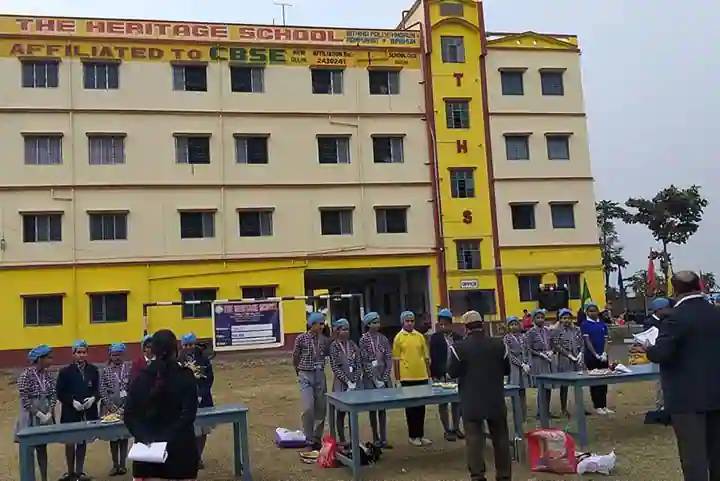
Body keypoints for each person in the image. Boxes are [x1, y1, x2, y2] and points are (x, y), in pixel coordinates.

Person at [641, 271, 720, 481]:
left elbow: (661, 354)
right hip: (717, 393)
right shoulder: (716, 313)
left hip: (687, 398)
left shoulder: (674, 318)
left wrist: (649, 348)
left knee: (694, 457)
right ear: (699, 286)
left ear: (674, 291)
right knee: (717, 455)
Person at [125, 329, 199, 480]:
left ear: (152, 351)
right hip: (179, 454)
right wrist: (167, 437)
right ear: (175, 350)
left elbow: (129, 416)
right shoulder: (185, 377)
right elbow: (188, 415)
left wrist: (145, 437)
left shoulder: (140, 378)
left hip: (147, 454)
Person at [448, 310, 511, 481]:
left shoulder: (458, 348)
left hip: (471, 399)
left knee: (474, 440)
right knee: (501, 438)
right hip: (495, 398)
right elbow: (506, 370)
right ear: (482, 324)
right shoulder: (499, 344)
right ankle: (504, 476)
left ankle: (477, 476)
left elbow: (452, 372)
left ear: (465, 327)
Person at [56, 340, 99, 481]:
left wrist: (93, 398)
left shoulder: (93, 370)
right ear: (73, 354)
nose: (81, 355)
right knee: (70, 442)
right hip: (70, 412)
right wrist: (72, 401)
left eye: (84, 352)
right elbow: (60, 392)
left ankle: (80, 472)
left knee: (82, 441)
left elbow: (98, 390)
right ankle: (70, 473)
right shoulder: (65, 372)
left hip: (87, 412)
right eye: (78, 352)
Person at [15, 345, 55, 481]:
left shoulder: (48, 375)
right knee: (28, 449)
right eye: (48, 358)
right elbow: (25, 399)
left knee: (42, 448)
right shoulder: (25, 376)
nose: (51, 361)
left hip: (45, 412)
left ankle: (44, 478)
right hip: (30, 416)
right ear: (39, 359)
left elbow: (53, 394)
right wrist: (38, 414)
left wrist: (50, 411)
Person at [292, 312, 331, 451]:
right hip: (305, 374)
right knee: (308, 407)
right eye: (320, 324)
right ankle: (308, 438)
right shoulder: (301, 338)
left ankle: (316, 439)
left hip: (320, 373)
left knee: (321, 407)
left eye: (323, 324)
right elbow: (295, 356)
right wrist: (299, 371)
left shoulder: (324, 340)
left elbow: (329, 353)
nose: (322, 326)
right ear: (312, 324)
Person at [393, 310, 432, 447]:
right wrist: (398, 379)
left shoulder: (420, 336)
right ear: (402, 322)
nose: (409, 323)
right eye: (407, 321)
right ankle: (412, 435)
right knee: (411, 409)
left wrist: (429, 376)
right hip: (407, 377)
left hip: (421, 376)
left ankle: (420, 435)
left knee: (421, 407)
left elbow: (426, 358)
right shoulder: (399, 338)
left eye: (412, 321)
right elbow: (396, 360)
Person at [179, 333, 215, 470]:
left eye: (191, 345)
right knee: (187, 431)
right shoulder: (178, 360)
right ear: (182, 346)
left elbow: (209, 378)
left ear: (195, 344)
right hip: (184, 403)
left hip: (203, 401)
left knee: (203, 430)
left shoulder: (203, 359)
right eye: (186, 345)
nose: (188, 347)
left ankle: (198, 456)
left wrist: (201, 394)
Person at [359, 311, 392, 448]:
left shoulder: (383, 339)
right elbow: (364, 361)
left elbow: (388, 358)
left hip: (383, 376)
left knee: (382, 409)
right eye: (373, 323)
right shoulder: (363, 340)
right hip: (370, 379)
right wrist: (374, 379)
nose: (376, 325)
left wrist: (385, 377)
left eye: (378, 322)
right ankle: (375, 437)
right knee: (372, 408)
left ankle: (384, 438)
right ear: (368, 324)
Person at [429, 308, 464, 441]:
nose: (443, 326)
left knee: (457, 402)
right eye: (441, 324)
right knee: (443, 403)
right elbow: (434, 357)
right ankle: (447, 429)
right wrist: (439, 373)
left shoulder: (458, 337)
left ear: (451, 324)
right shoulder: (435, 338)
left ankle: (456, 427)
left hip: (456, 374)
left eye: (446, 324)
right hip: (441, 375)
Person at [328, 318, 362, 445]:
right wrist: (347, 381)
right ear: (337, 331)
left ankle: (354, 440)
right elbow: (335, 367)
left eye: (347, 329)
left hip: (354, 383)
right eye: (343, 329)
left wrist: (355, 380)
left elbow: (358, 363)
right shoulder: (334, 346)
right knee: (341, 412)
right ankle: (342, 440)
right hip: (340, 384)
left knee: (353, 413)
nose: (346, 332)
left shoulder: (353, 345)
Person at [99, 342, 131, 476]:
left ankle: (123, 465)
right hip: (110, 409)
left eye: (119, 355)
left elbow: (132, 387)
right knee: (113, 437)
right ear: (110, 356)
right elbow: (102, 389)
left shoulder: (128, 368)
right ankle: (115, 464)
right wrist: (111, 406)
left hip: (125, 408)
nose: (117, 357)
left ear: (123, 355)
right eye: (114, 355)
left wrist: (125, 407)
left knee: (124, 437)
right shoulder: (105, 370)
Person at [581, 302, 614, 415]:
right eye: (590, 311)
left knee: (604, 381)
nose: (593, 313)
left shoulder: (602, 324)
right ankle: (597, 405)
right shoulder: (585, 324)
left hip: (603, 356)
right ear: (586, 312)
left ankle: (604, 405)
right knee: (595, 381)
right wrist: (595, 354)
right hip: (591, 356)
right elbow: (587, 341)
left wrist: (604, 353)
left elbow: (606, 340)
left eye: (594, 311)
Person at [552, 308, 585, 417]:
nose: (566, 320)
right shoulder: (557, 331)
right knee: (564, 384)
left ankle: (581, 407)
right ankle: (563, 408)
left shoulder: (576, 329)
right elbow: (556, 345)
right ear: (560, 319)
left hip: (577, 357)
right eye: (564, 318)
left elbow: (582, 342)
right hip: (564, 359)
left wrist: (581, 353)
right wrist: (568, 355)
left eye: (568, 318)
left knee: (579, 383)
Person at [526, 309, 556, 418]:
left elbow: (553, 343)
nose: (540, 320)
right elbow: (528, 348)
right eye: (538, 318)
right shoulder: (530, 333)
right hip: (538, 360)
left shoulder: (547, 331)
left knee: (548, 386)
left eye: (542, 317)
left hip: (548, 360)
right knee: (542, 387)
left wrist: (551, 351)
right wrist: (540, 354)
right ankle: (541, 412)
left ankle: (547, 410)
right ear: (533, 319)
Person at [503, 316, 531, 420]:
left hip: (524, 365)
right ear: (508, 326)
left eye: (516, 324)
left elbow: (527, 350)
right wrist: (521, 364)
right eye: (512, 324)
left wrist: (527, 363)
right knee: (515, 390)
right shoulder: (507, 338)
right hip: (514, 366)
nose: (514, 326)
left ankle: (524, 415)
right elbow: (509, 355)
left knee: (523, 391)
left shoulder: (523, 337)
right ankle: (517, 415)